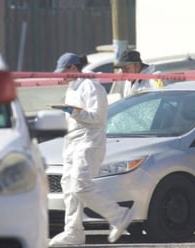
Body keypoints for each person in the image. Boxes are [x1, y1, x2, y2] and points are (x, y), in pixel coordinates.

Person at [49, 52, 136, 246]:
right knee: (69, 188)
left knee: (80, 185)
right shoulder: (73, 87)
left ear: (73, 68)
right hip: (72, 141)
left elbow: (98, 117)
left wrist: (74, 112)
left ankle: (119, 215)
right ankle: (73, 232)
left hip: (89, 140)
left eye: (63, 71)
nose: (61, 76)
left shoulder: (90, 85)